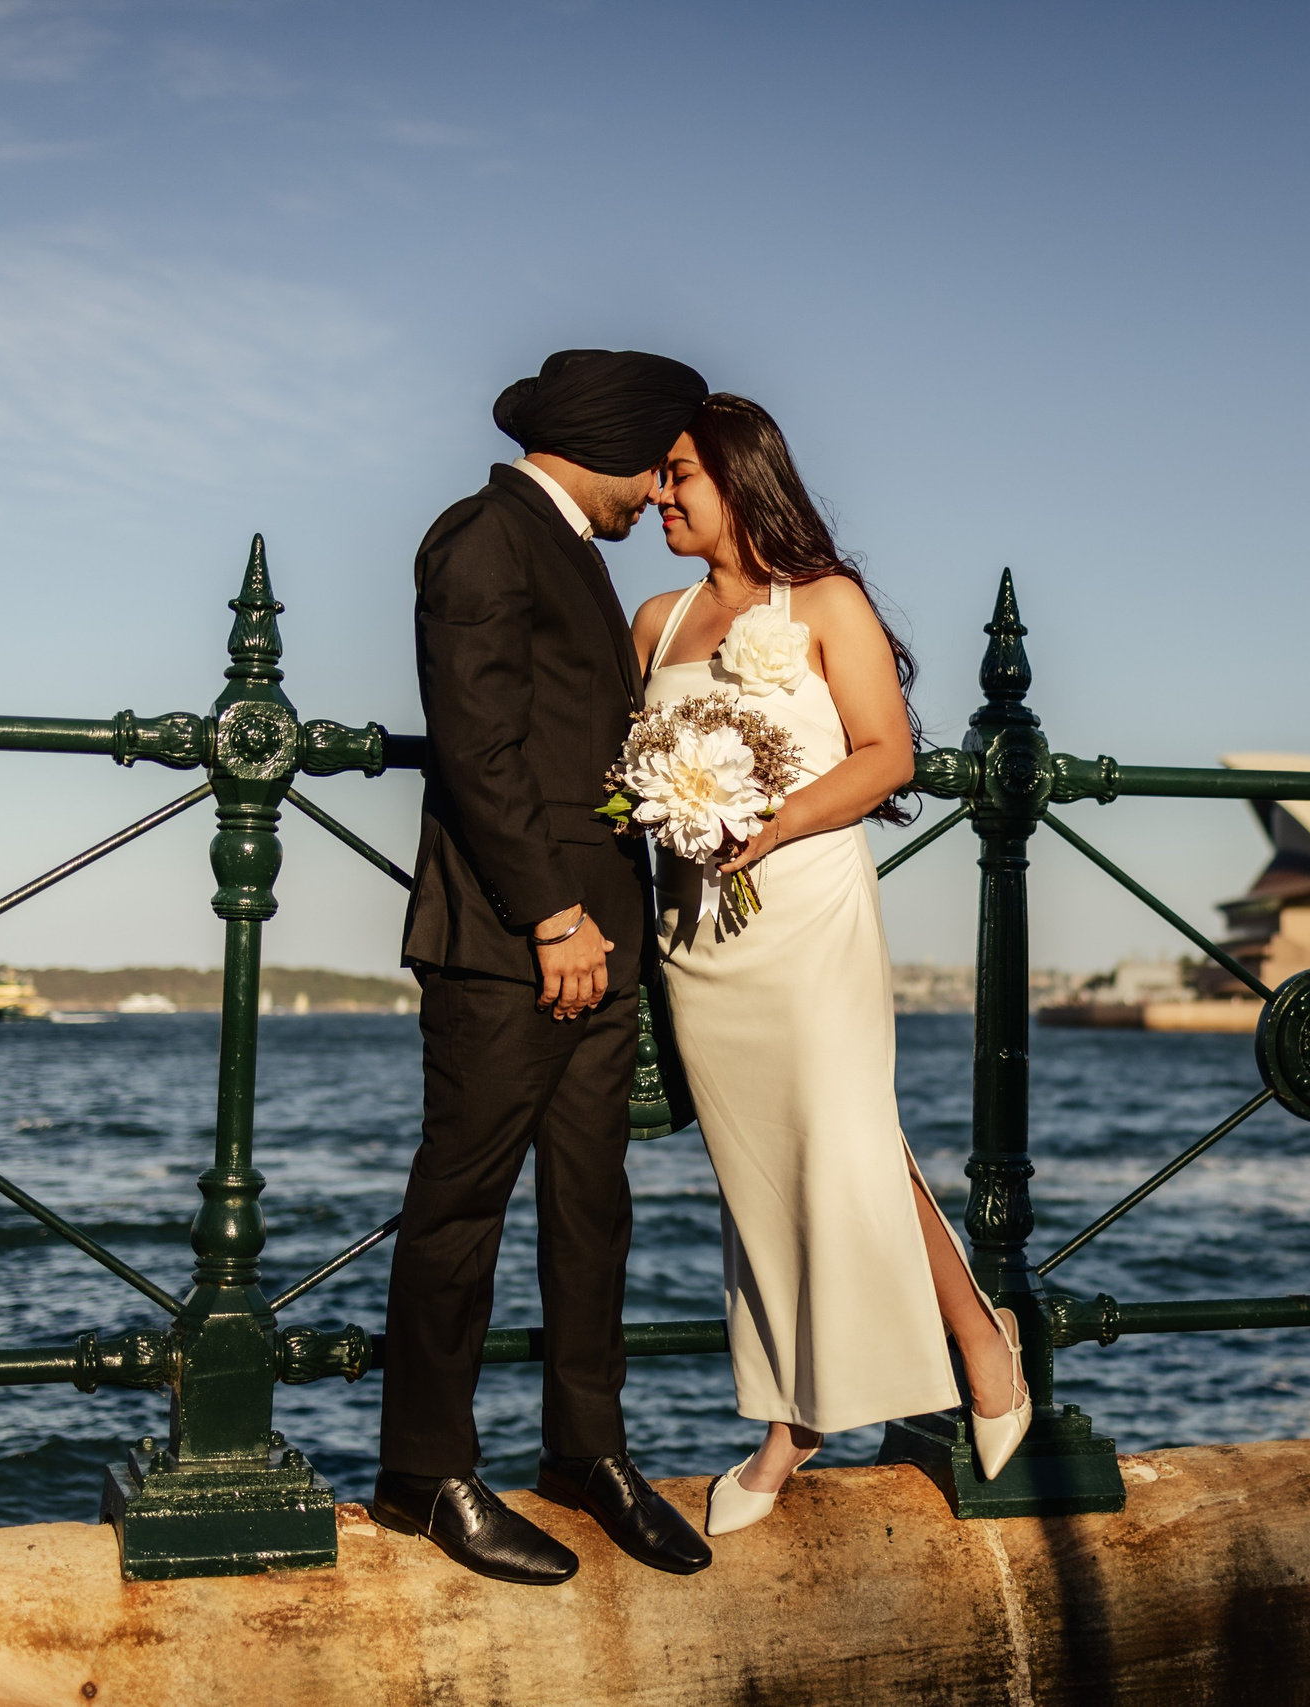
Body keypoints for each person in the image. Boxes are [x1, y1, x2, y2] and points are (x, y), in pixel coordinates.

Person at [628, 394, 1030, 1538]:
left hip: (803, 911)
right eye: (658, 478)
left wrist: (770, 821)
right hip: (697, 937)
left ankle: (801, 1428)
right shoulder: (653, 623)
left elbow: (885, 755)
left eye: (679, 476)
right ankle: (933, 1362)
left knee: (844, 1143)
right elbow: (637, 768)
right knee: (763, 1177)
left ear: (741, 480)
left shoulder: (825, 604)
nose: (661, 496)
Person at [376, 349, 715, 1584]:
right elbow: (478, 746)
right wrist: (553, 918)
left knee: (592, 1206)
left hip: (598, 934)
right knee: (461, 1204)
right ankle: (423, 1473)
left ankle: (587, 1451)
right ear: (612, 444)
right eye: (656, 465)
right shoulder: (481, 537)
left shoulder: (563, 547)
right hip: (515, 940)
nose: (656, 493)